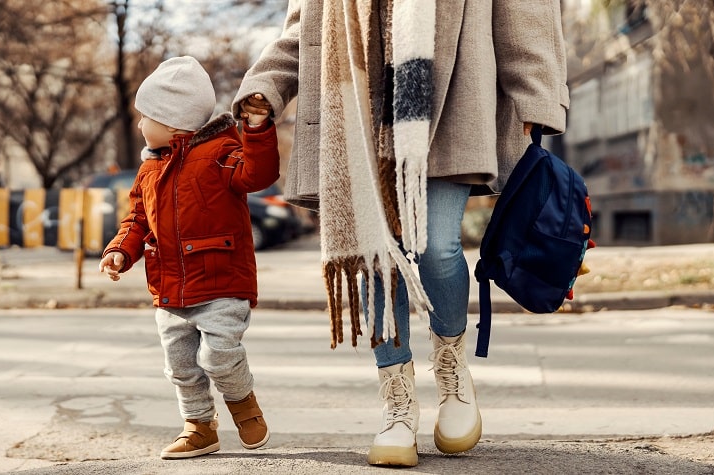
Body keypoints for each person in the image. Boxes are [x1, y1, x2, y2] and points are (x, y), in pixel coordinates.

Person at [233, 0, 569, 468]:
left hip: (453, 100)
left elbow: (524, 14)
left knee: (436, 247)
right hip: (357, 106)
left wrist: (536, 95)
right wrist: (266, 84)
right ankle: (397, 404)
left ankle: (451, 364)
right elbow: (305, 28)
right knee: (373, 255)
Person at [99, 56, 280, 460]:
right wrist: (119, 251)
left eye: (145, 116)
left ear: (172, 121)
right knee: (181, 365)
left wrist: (256, 130)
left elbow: (257, 174)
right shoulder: (149, 170)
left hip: (221, 281)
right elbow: (137, 219)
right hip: (170, 286)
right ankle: (199, 427)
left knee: (218, 356)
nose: (140, 124)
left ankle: (242, 402)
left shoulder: (221, 151)